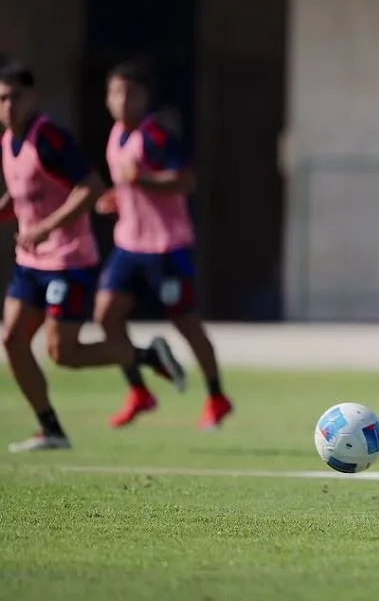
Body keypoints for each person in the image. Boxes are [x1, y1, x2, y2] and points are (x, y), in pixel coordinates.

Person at [0, 61, 184, 452]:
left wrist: (47, 226)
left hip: (68, 261)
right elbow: (20, 197)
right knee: (13, 340)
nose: (9, 106)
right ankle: (50, 428)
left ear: (33, 98)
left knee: (62, 352)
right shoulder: (7, 143)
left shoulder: (49, 138)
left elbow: (90, 186)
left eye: (16, 97)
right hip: (30, 262)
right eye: (2, 98)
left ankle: (147, 355)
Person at [95, 62, 233, 430]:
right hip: (128, 245)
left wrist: (142, 180)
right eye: (115, 93)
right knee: (105, 316)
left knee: (186, 324)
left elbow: (184, 180)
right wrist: (118, 197)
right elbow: (130, 186)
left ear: (144, 97)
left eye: (130, 93)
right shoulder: (114, 135)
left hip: (167, 248)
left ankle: (217, 397)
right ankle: (139, 391)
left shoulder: (155, 135)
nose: (122, 100)